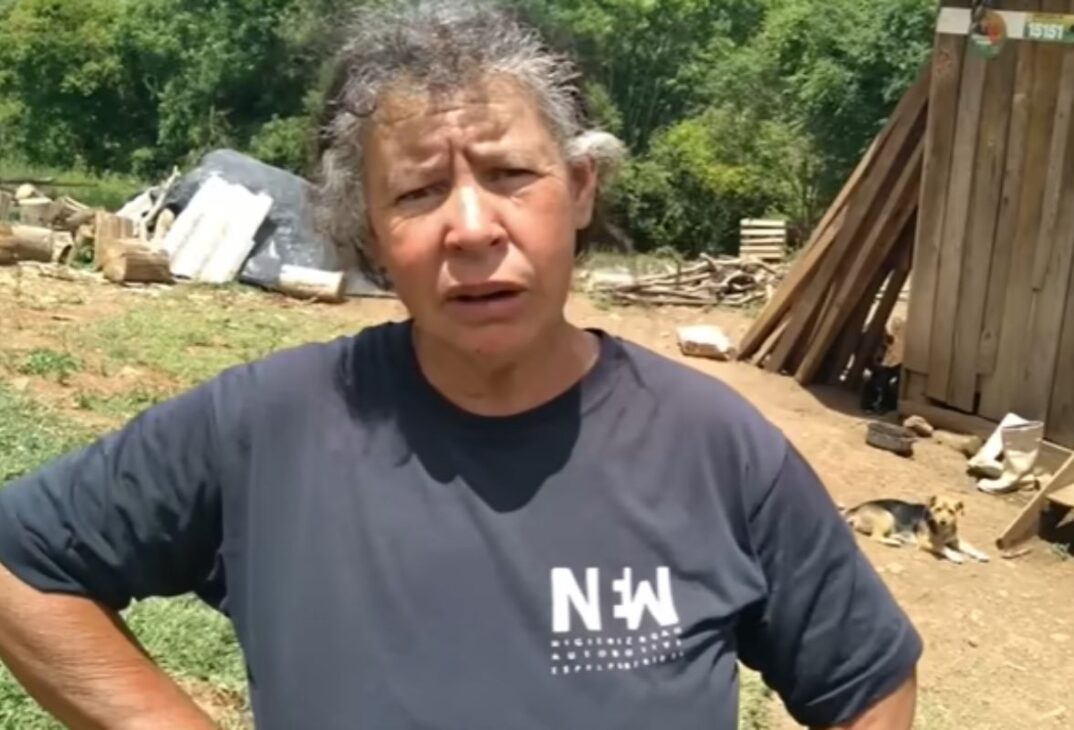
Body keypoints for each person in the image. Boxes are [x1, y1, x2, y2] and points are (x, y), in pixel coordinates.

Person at [0, 1, 921, 728]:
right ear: (365, 229)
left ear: (580, 190)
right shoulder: (267, 426)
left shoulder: (716, 450)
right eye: (418, 191)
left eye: (512, 175)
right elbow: (21, 562)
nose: (473, 228)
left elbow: (865, 680)